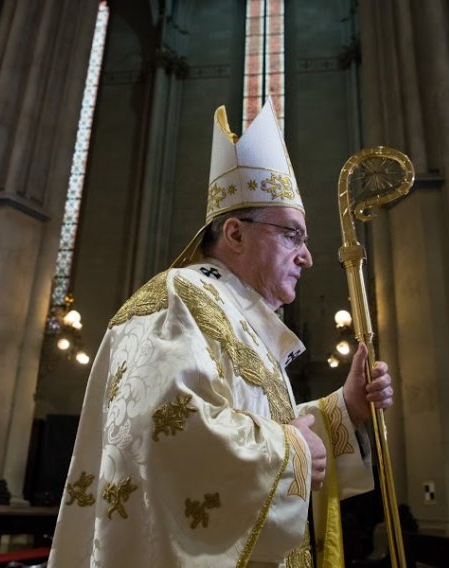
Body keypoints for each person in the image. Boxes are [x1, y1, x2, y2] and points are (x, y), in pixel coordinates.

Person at [48, 100, 394, 568]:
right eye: (292, 235)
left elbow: (253, 420)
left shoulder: (241, 319)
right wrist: (290, 449)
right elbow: (159, 429)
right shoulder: (177, 297)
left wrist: (344, 408)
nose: (308, 257)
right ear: (234, 233)